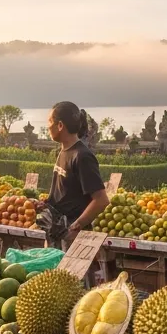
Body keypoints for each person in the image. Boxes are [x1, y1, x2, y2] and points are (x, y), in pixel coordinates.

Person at [46, 101, 109, 242]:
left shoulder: (82, 156)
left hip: (71, 233)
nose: (48, 126)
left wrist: (76, 227)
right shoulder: (64, 151)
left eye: (50, 122)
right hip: (58, 228)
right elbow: (67, 191)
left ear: (60, 125)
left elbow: (101, 200)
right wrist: (47, 202)